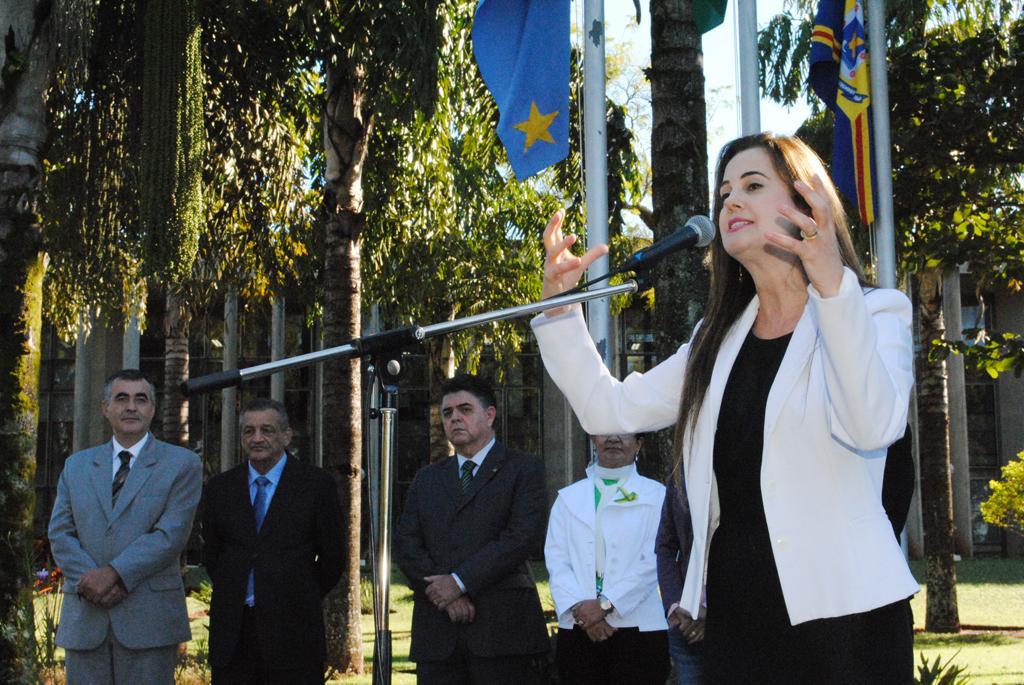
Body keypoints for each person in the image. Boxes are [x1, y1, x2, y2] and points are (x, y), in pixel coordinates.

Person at [531, 132, 919, 683]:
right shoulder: (713, 341)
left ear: (810, 202)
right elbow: (608, 411)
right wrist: (560, 311)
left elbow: (872, 424)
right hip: (737, 617)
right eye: (725, 191)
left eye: (753, 185)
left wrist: (833, 287)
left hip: (849, 620)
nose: (730, 201)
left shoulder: (876, 310)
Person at [48, 369, 202, 684]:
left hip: (150, 619)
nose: (131, 407)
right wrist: (91, 582)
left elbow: (169, 536)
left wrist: (113, 574)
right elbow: (60, 533)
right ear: (105, 408)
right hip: (86, 615)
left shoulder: (182, 465)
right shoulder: (76, 466)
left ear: (153, 409)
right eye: (121, 399)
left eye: (140, 399)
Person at [394, 373, 549, 684]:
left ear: (489, 415)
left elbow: (521, 538)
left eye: (465, 409)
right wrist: (445, 595)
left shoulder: (523, 469)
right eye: (447, 413)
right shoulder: (427, 478)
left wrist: (460, 582)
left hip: (502, 634)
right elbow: (406, 545)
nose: (455, 419)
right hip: (438, 635)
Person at [202, 398, 343, 684]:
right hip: (234, 635)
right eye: (248, 431)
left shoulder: (316, 485)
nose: (257, 438)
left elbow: (333, 558)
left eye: (266, 430)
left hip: (294, 633)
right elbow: (213, 555)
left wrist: (298, 591)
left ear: (286, 435)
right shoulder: (220, 488)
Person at [545, 432, 670, 685]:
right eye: (605, 432)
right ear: (593, 439)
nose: (614, 439)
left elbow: (655, 559)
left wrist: (605, 605)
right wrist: (583, 611)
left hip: (639, 630)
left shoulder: (657, 496)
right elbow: (557, 560)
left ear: (639, 443)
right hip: (579, 630)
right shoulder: (568, 498)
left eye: (623, 433)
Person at [656, 474, 705, 684]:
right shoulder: (681, 475)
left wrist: (710, 610)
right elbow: (665, 546)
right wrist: (677, 605)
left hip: (738, 625)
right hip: (685, 625)